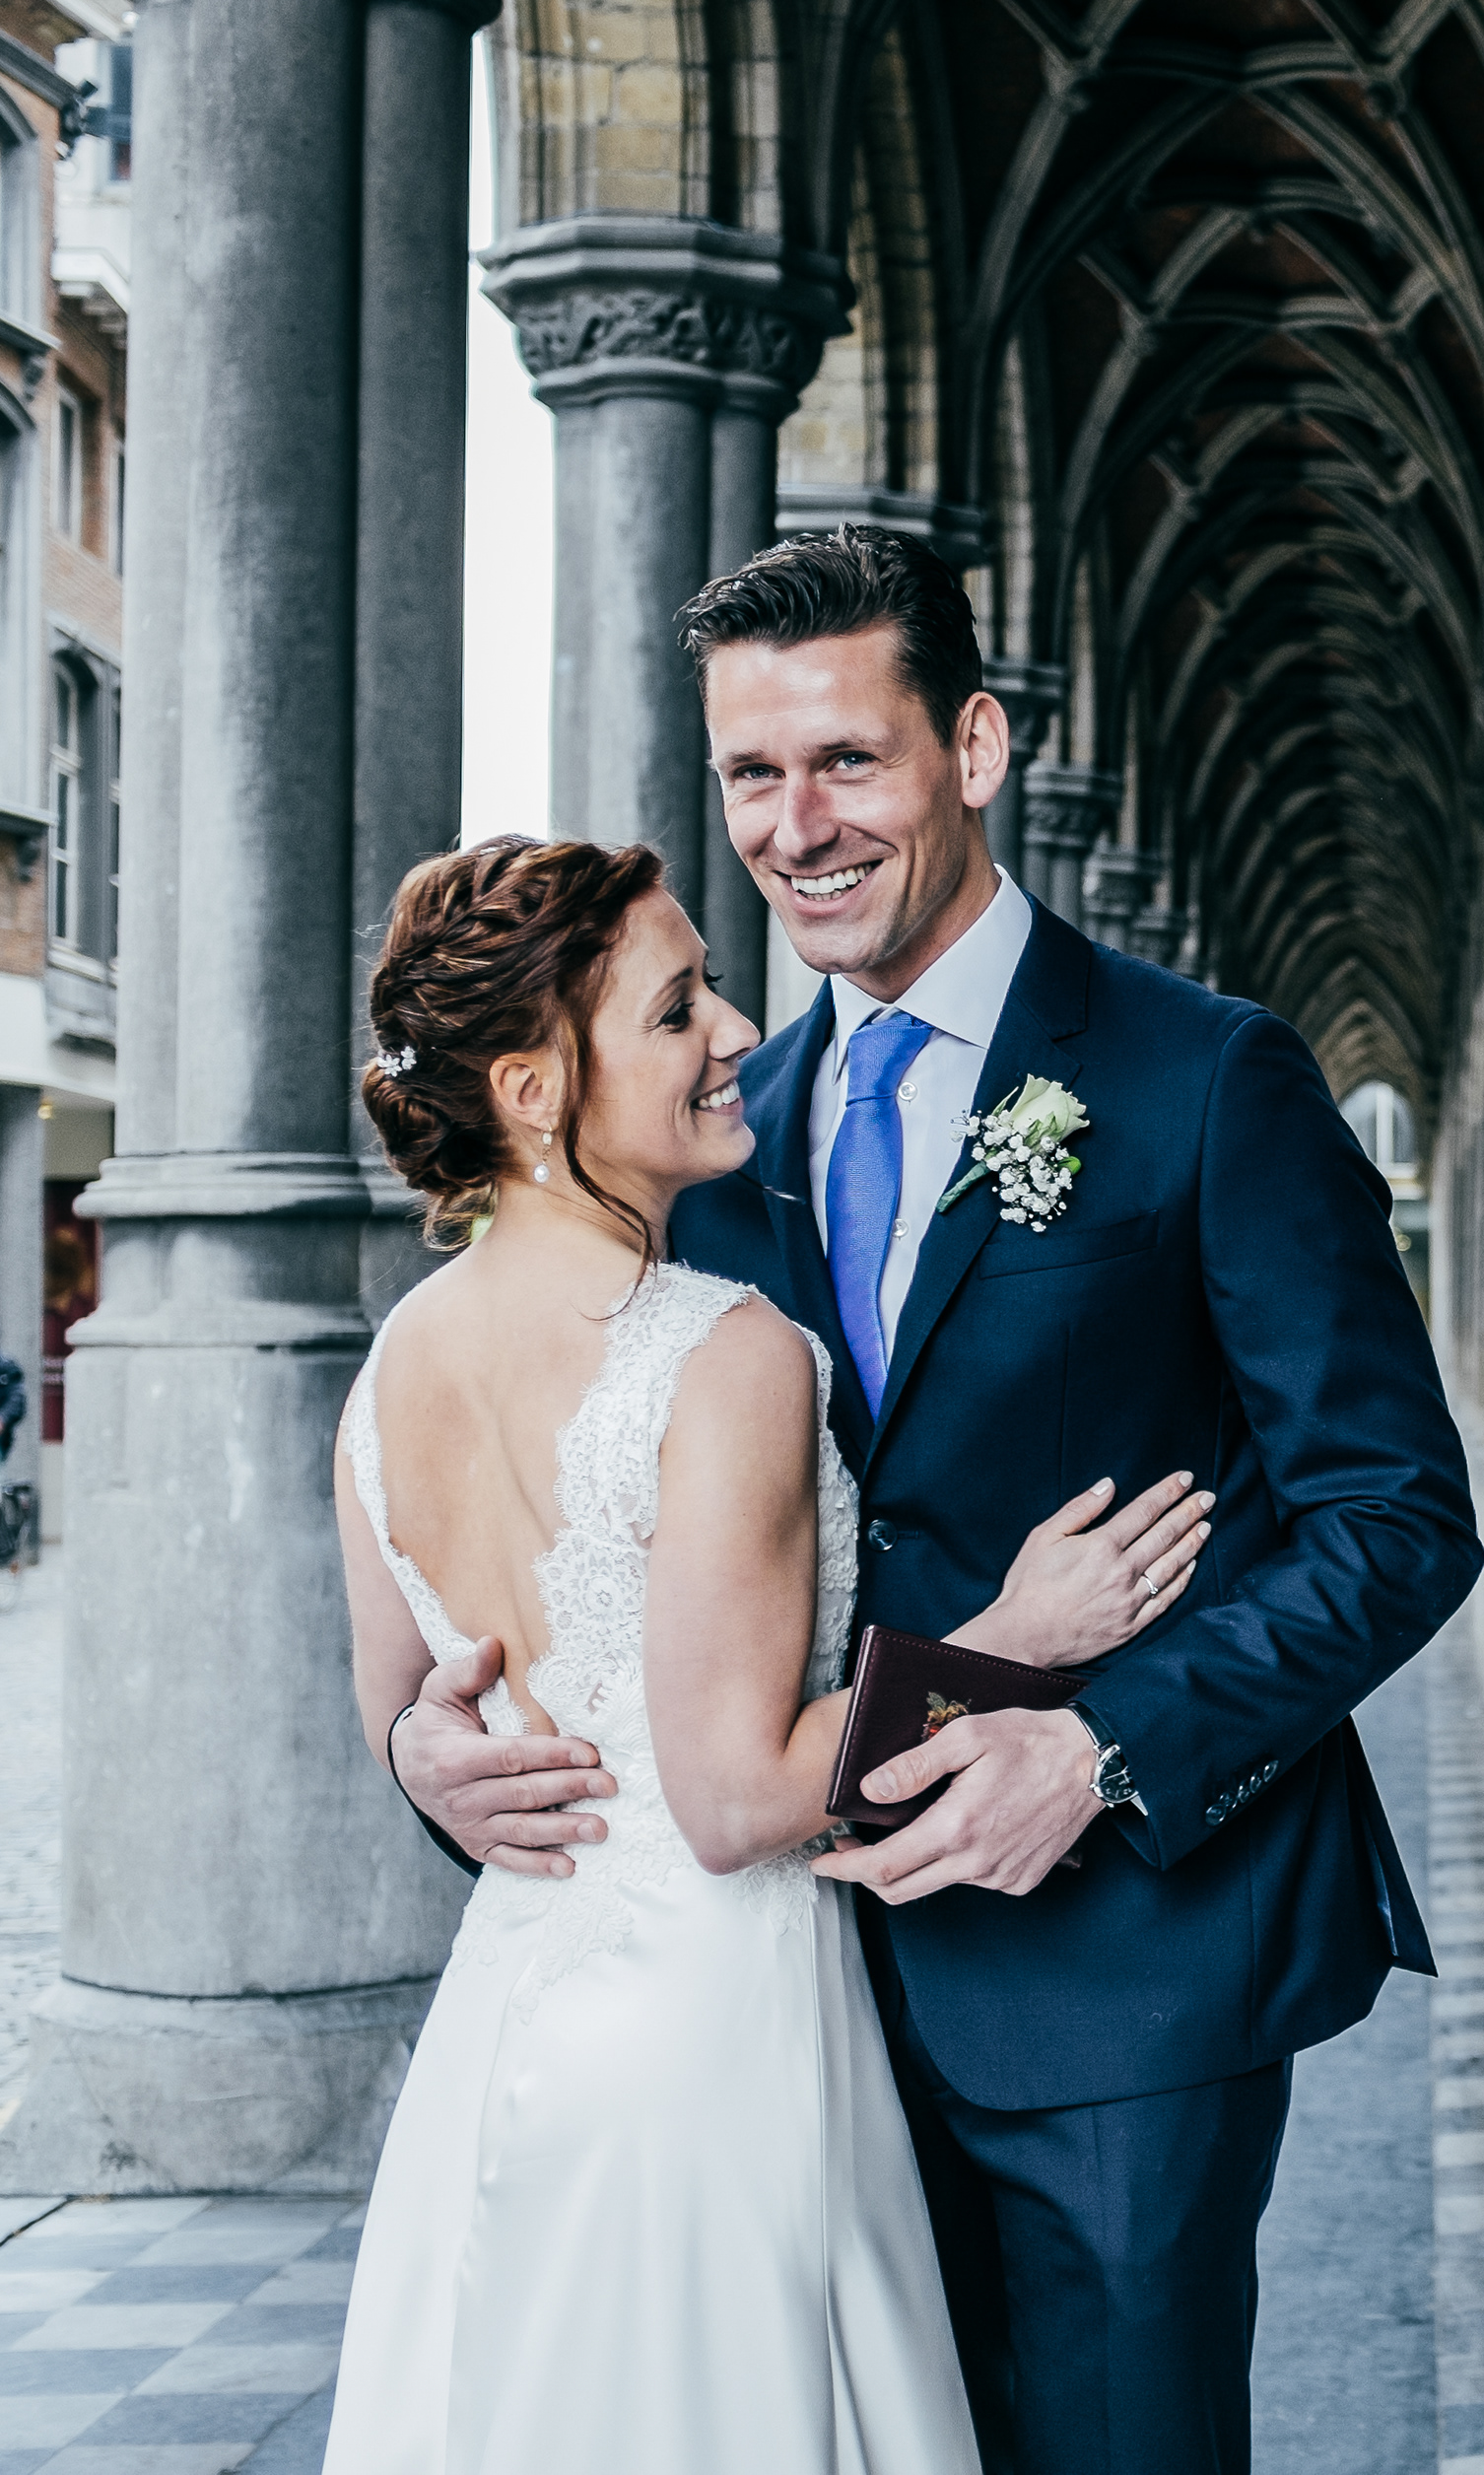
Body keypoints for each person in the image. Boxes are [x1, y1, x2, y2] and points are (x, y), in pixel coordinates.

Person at [388, 524, 1482, 2475]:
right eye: (752, 772)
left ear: (972, 747)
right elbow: (583, 1530)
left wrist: (1102, 1747)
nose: (796, 825)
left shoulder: (1206, 1079)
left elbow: (1398, 1516)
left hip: (1125, 1980)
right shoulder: (707, 1146)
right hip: (788, 1997)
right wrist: (431, 1744)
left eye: (847, 759)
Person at [330, 836, 1217, 2472]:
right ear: (533, 1090)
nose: (740, 1028)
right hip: (710, 2035)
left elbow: (402, 1707)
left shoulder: (390, 1366)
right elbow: (738, 1803)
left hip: (505, 2025)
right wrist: (1009, 1640)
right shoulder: (720, 1351)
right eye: (677, 1010)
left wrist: (412, 1755)